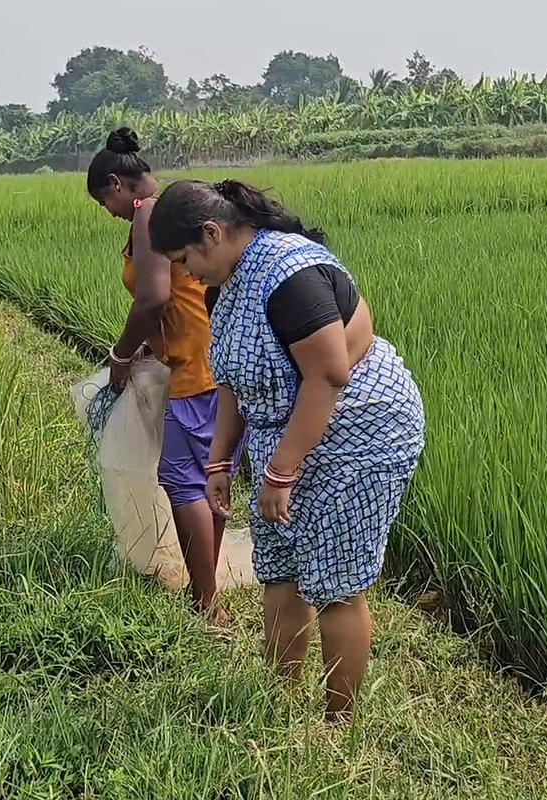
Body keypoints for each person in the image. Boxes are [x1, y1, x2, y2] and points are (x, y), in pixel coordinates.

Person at [146, 178, 425, 716]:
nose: (183, 273)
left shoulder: (290, 276)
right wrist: (221, 457)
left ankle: (335, 722)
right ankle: (280, 702)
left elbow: (328, 375)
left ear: (212, 233)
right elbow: (230, 376)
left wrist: (279, 475)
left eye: (183, 258)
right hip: (289, 428)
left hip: (360, 429)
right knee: (280, 566)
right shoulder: (222, 283)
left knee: (335, 581)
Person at [86, 127, 238, 627]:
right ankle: (206, 589)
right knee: (204, 475)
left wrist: (122, 354)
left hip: (200, 364)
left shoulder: (150, 215)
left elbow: (153, 297)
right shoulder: (163, 210)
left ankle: (206, 605)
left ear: (117, 183)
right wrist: (156, 342)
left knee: (184, 480)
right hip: (200, 354)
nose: (105, 212)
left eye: (103, 200)